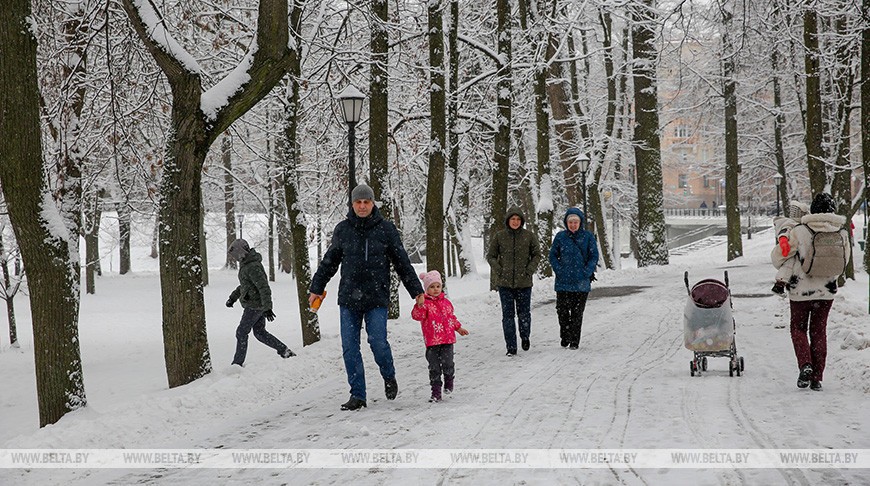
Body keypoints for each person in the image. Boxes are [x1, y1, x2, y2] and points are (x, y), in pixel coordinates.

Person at [309, 183, 425, 410]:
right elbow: (329, 262)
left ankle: (388, 374)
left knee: (377, 342)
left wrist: (417, 291)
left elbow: (402, 261)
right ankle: (358, 395)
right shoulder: (343, 230)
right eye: (358, 202)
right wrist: (317, 286)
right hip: (348, 299)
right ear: (352, 204)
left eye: (366, 202)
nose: (362, 206)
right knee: (350, 347)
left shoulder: (386, 230)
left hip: (376, 297)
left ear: (373, 203)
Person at [775, 193, 849, 391]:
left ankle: (805, 364)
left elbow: (780, 257)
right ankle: (817, 378)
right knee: (819, 331)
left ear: (813, 209)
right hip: (826, 292)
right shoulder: (841, 231)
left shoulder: (800, 231)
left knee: (798, 329)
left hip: (800, 291)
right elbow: (845, 260)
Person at [226, 239, 295, 366]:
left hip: (255, 306)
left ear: (242, 251)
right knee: (260, 333)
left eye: (235, 254)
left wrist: (267, 307)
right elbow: (245, 286)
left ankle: (237, 364)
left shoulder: (253, 266)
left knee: (241, 332)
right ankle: (284, 351)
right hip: (256, 304)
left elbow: (263, 287)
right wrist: (233, 298)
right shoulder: (246, 265)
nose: (235, 258)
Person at [486, 206, 541, 356]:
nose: (515, 222)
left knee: (524, 314)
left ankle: (525, 336)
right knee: (508, 316)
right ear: (508, 220)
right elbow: (490, 256)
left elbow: (537, 255)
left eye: (518, 219)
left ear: (521, 221)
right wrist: (499, 270)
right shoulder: (499, 236)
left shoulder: (529, 236)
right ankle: (511, 346)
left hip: (524, 283)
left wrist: (529, 270)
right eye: (513, 219)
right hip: (505, 284)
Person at [411, 270, 469, 402]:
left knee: (448, 363)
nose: (436, 289)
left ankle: (449, 380)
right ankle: (436, 392)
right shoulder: (424, 304)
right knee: (434, 367)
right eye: (432, 287)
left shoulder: (446, 303)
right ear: (426, 289)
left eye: (438, 286)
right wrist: (419, 304)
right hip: (432, 342)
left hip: (447, 340)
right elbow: (417, 316)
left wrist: (458, 328)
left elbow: (451, 318)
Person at [548, 207, 599, 350]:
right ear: (566, 223)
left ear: (580, 222)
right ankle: (565, 335)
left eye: (576, 222)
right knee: (562, 311)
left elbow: (593, 256)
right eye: (570, 222)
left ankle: (574, 340)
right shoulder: (560, 237)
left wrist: (586, 271)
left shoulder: (588, 237)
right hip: (563, 282)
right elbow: (552, 255)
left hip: (581, 282)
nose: (573, 224)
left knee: (577, 313)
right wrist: (559, 270)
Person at [770, 200, 810, 295]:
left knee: (792, 264)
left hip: (797, 250)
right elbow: (785, 231)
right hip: (794, 251)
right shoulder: (791, 223)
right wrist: (783, 241)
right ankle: (780, 283)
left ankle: (781, 283)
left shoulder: (796, 224)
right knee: (790, 263)